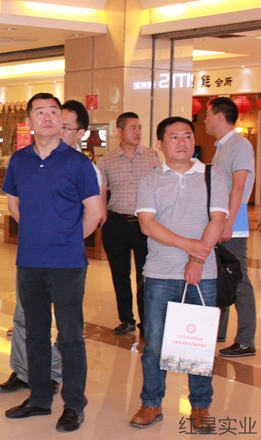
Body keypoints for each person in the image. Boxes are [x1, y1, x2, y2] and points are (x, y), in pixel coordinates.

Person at [2, 93, 101, 432]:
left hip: (67, 265)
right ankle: (40, 398)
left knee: (70, 336)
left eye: (53, 112)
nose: (47, 117)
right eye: (39, 112)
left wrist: (67, 241)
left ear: (61, 120)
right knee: (35, 333)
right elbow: (14, 205)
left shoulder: (78, 163)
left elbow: (94, 212)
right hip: (29, 262)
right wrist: (37, 235)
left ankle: (73, 405)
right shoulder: (19, 161)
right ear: (29, 121)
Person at [130, 116, 227, 432]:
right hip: (160, 273)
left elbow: (218, 221)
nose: (182, 142)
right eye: (174, 137)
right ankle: (151, 403)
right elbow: (148, 225)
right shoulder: (150, 180)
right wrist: (188, 245)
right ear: (160, 144)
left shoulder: (212, 175)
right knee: (154, 345)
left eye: (187, 136)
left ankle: (200, 406)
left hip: (203, 274)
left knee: (198, 344)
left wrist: (196, 259)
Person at [98, 112, 160, 336]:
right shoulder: (107, 161)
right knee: (120, 275)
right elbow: (101, 192)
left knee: (146, 275)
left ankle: (146, 323)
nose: (138, 132)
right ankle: (126, 319)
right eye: (133, 127)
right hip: (116, 223)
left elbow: (160, 188)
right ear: (119, 132)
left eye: (140, 127)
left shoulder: (152, 157)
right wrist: (104, 221)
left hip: (145, 225)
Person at [204, 97, 256, 358]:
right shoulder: (221, 147)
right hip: (222, 221)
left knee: (239, 280)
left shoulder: (239, 145)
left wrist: (228, 223)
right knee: (219, 276)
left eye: (207, 115)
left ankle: (246, 340)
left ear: (220, 116)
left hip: (232, 223)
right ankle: (219, 332)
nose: (204, 120)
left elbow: (239, 187)